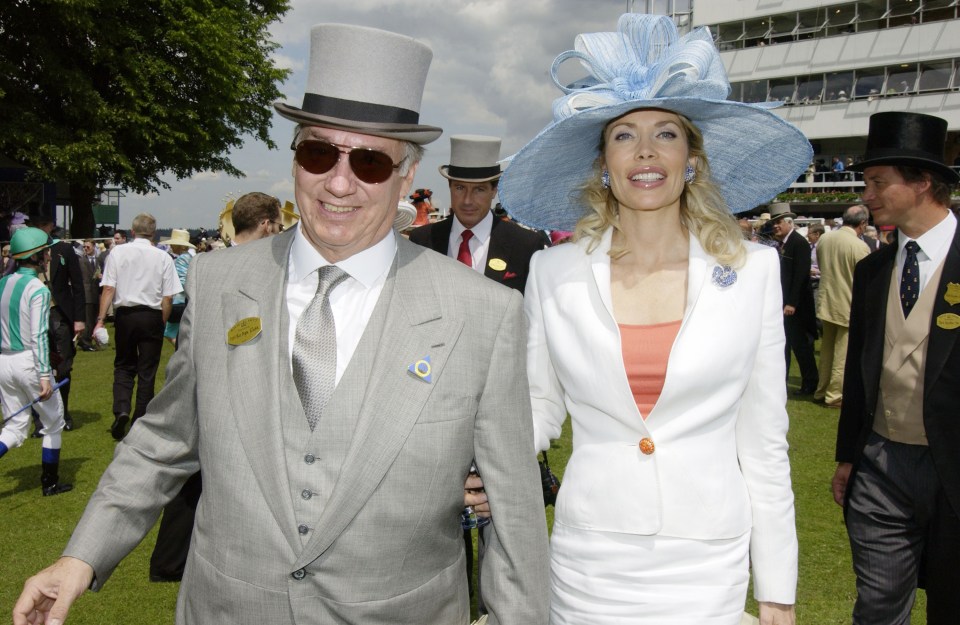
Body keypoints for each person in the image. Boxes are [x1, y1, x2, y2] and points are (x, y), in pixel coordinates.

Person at [14, 22, 548, 625]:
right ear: (295, 158)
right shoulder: (217, 285)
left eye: (370, 161)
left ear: (405, 175)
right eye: (320, 152)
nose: (339, 183)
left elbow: (514, 508)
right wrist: (79, 557)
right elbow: (164, 441)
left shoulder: (484, 313)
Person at [495, 14, 805, 625]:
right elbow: (536, 404)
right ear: (603, 163)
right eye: (623, 135)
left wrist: (777, 593)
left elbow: (766, 444)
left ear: (692, 158)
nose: (645, 150)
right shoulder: (554, 272)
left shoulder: (754, 272)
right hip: (591, 557)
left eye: (666, 133)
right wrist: (479, 455)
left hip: (708, 559)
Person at [832, 111, 960, 625]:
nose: (868, 196)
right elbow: (863, 375)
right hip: (881, 466)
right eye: (867, 184)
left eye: (879, 183)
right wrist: (847, 457)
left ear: (923, 182)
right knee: (879, 605)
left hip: (951, 467)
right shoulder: (873, 270)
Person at [408, 134, 548, 294]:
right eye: (460, 188)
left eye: (479, 189)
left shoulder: (525, 245)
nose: (467, 200)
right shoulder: (421, 241)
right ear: (450, 187)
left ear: (494, 190)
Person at [94, 213, 181, 440]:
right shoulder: (163, 257)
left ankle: (121, 409)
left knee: (123, 365)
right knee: (147, 370)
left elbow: (109, 289)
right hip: (152, 314)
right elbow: (168, 297)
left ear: (132, 232)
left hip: (125, 314)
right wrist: (162, 320)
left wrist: (101, 319)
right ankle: (140, 417)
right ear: (153, 233)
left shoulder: (118, 252)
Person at [0, 227, 72, 496]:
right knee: (54, 421)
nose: (49, 255)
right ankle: (50, 484)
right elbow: (39, 336)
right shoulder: (38, 290)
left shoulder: (1, 284)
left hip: (3, 363)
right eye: (46, 251)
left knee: (15, 427)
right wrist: (45, 376)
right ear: (37, 256)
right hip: (29, 363)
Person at [29, 216, 85, 431]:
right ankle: (39, 421)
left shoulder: (64, 249)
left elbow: (78, 285)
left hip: (59, 314)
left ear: (50, 226)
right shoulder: (25, 253)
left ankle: (63, 414)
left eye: (41, 225)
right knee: (33, 367)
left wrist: (79, 319)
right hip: (34, 314)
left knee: (62, 367)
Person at [813, 206, 870, 408]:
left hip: (827, 301)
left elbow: (820, 265)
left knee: (827, 351)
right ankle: (835, 395)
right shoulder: (859, 246)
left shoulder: (825, 239)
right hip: (847, 304)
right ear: (862, 224)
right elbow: (865, 280)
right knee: (842, 355)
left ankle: (822, 390)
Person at [769, 203, 819, 395]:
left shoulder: (798, 243)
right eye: (774, 223)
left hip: (797, 307)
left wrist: (792, 303)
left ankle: (810, 382)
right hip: (786, 304)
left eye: (778, 222)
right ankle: (783, 380)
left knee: (801, 347)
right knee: (785, 345)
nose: (775, 226)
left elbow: (800, 276)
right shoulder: (785, 243)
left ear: (789, 222)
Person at [157, 229, 195, 346]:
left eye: (173, 244)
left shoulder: (181, 259)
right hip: (185, 301)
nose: (171, 246)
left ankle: (183, 352)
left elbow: (183, 281)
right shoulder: (190, 257)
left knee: (169, 332)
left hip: (178, 301)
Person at [77, 239, 101, 351]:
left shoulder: (98, 260)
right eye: (84, 247)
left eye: (88, 247)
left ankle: (89, 339)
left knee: (94, 318)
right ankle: (85, 342)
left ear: (94, 247)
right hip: (86, 294)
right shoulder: (81, 260)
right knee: (88, 319)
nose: (86, 249)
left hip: (96, 293)